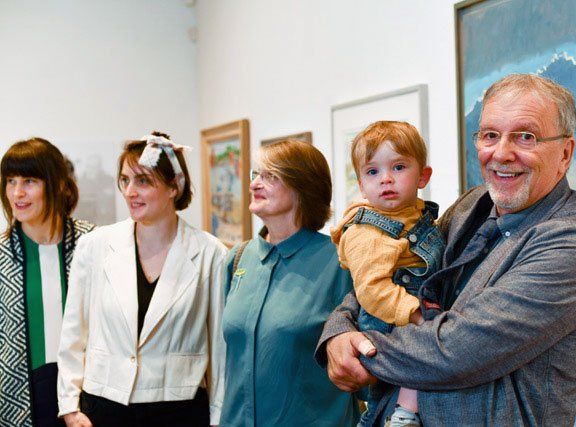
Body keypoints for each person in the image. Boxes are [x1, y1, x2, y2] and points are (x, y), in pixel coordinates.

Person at [316, 74, 576, 425]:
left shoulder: (573, 244)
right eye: (490, 135)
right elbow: (396, 274)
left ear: (565, 153)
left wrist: (360, 349)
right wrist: (337, 331)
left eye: (526, 136)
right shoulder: (473, 205)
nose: (501, 153)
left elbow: (456, 350)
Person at [57, 132, 228, 426]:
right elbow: (73, 334)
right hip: (104, 406)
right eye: (125, 180)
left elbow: (221, 350)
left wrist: (219, 418)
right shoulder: (95, 246)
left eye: (143, 181)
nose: (130, 191)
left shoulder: (211, 253)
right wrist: (70, 407)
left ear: (174, 185)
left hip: (179, 410)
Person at [220, 139, 359, 426]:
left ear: (303, 186)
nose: (255, 184)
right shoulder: (238, 259)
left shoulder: (340, 261)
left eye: (270, 176)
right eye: (255, 175)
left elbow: (362, 368)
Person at [330, 121, 444, 427]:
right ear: (361, 183)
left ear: (423, 176)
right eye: (373, 172)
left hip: (410, 313)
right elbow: (372, 291)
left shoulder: (414, 214)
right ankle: (404, 414)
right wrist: (418, 315)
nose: (386, 180)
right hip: (389, 321)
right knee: (420, 353)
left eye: (398, 167)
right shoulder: (368, 232)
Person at [0, 138, 95, 427]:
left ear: (56, 184)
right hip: (19, 400)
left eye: (29, 180)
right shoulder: (2, 254)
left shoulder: (93, 244)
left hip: (87, 396)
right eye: (10, 181)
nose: (18, 192)